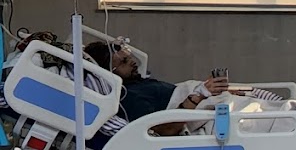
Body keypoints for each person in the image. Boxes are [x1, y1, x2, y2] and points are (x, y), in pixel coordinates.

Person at [84, 42, 230, 122]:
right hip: (196, 103)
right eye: (124, 62)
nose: (132, 62)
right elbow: (162, 130)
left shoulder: (136, 83)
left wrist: (210, 90)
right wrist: (198, 95)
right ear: (108, 72)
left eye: (129, 57)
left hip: (201, 96)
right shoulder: (129, 97)